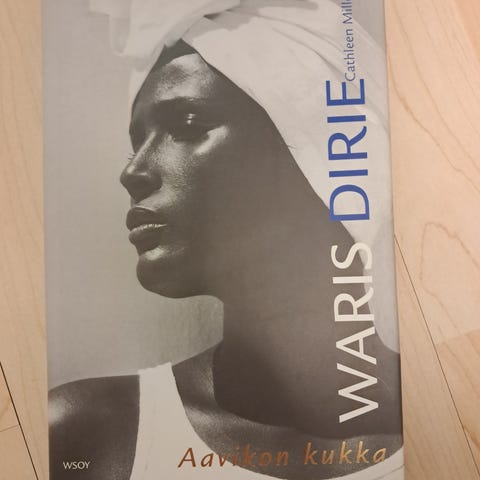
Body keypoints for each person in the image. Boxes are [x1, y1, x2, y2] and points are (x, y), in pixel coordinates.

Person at [49, 1, 403, 479]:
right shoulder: (93, 436)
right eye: (137, 141)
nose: (133, 172)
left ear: (317, 152)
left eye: (186, 125)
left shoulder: (452, 409)